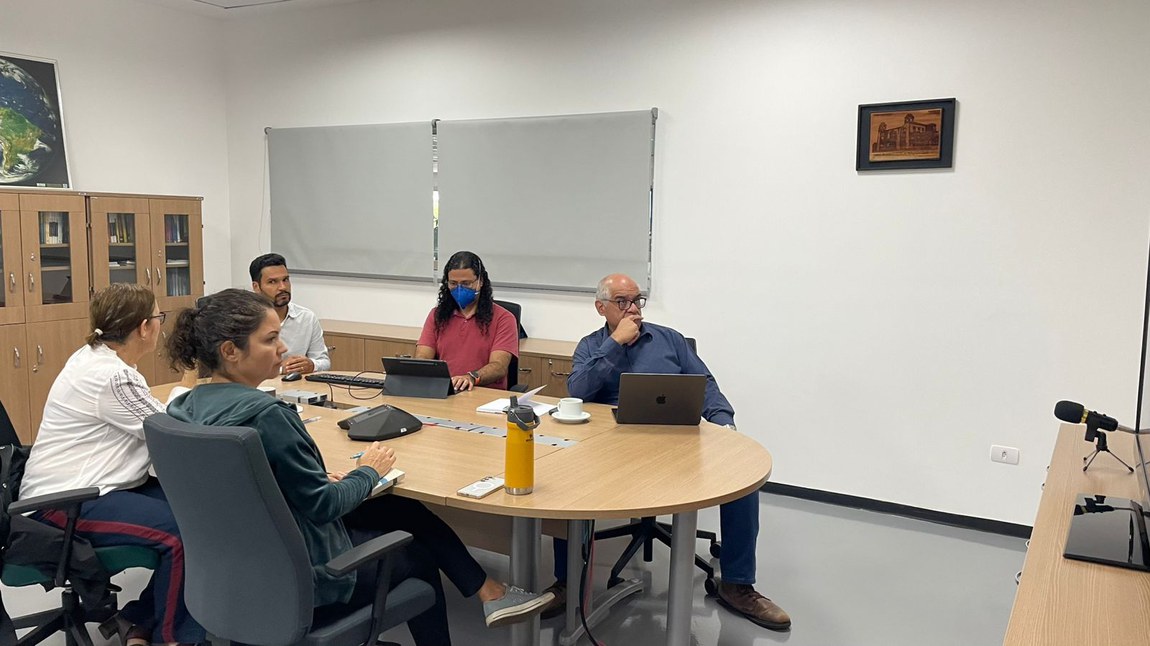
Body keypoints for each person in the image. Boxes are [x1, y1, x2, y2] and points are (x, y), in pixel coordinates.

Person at [164, 289, 552, 645]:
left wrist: (311, 479)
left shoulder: (184, 408)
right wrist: (368, 470)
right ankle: (481, 601)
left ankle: (491, 593)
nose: (282, 348)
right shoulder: (267, 415)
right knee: (417, 554)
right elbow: (323, 507)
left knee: (400, 508)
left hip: (236, 572)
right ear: (231, 351)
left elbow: (242, 481)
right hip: (306, 576)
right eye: (270, 340)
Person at [544, 273, 791, 631]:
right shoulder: (590, 346)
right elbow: (578, 390)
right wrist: (615, 344)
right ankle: (568, 583)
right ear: (602, 308)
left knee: (743, 479)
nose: (634, 310)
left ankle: (737, 585)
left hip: (676, 441)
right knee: (562, 481)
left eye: (637, 300)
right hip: (610, 451)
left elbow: (705, 385)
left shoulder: (670, 340)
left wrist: (724, 422)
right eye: (623, 302)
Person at [19, 283, 205, 646]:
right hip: (64, 503)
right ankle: (173, 637)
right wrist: (190, 383)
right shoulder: (111, 376)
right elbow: (168, 431)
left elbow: (153, 417)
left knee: (201, 514)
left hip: (90, 488)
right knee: (183, 535)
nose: (160, 326)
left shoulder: (94, 358)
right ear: (142, 327)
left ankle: (137, 619)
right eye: (157, 318)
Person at [414, 251, 518, 391]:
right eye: (453, 283)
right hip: (446, 391)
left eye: (466, 283)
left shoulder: (504, 318)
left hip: (484, 394)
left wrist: (471, 378)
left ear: (480, 282)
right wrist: (415, 370)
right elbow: (423, 356)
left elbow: (499, 366)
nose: (459, 289)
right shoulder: (437, 315)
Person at [250, 252, 330, 374]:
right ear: (256, 287)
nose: (282, 287)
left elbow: (324, 361)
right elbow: (241, 368)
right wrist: (281, 369)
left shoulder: (306, 318)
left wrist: (312, 365)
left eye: (285, 279)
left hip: (299, 388)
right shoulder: (245, 320)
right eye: (272, 282)